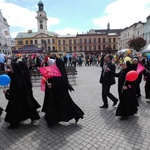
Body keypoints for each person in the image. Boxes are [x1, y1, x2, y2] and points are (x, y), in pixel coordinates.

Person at [42, 56, 84, 127]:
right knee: (59, 106)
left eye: (55, 62)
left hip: (61, 93)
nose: (54, 63)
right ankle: (53, 120)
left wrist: (52, 85)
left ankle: (77, 114)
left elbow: (61, 82)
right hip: (57, 92)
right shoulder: (58, 70)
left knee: (68, 105)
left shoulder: (60, 71)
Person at [3, 62, 40, 129]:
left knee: (19, 109)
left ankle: (14, 124)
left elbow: (18, 87)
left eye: (11, 67)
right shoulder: (17, 75)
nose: (10, 68)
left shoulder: (17, 76)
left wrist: (8, 91)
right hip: (20, 97)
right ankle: (33, 118)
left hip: (19, 97)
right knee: (26, 108)